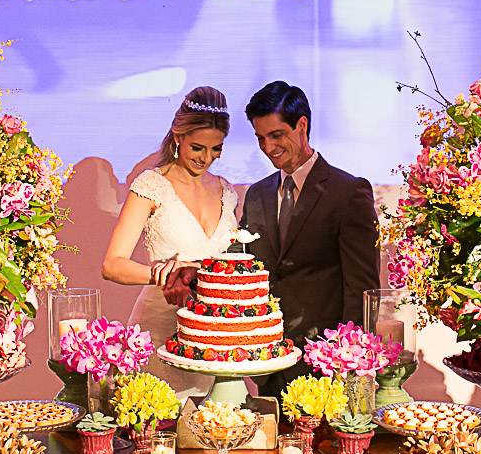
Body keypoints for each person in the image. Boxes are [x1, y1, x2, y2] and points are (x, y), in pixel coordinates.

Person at [164, 81, 380, 398]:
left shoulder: (348, 192)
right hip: (265, 363)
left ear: (302, 125)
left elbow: (362, 289)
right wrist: (199, 272)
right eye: (261, 138)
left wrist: (349, 366)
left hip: (325, 367)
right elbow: (242, 259)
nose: (268, 148)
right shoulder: (258, 193)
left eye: (276, 135)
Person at [101, 87, 238, 398]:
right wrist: (164, 274)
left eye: (216, 149)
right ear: (178, 137)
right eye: (198, 147)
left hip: (213, 336)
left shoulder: (228, 192)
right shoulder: (151, 185)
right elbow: (112, 265)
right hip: (160, 330)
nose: (206, 158)